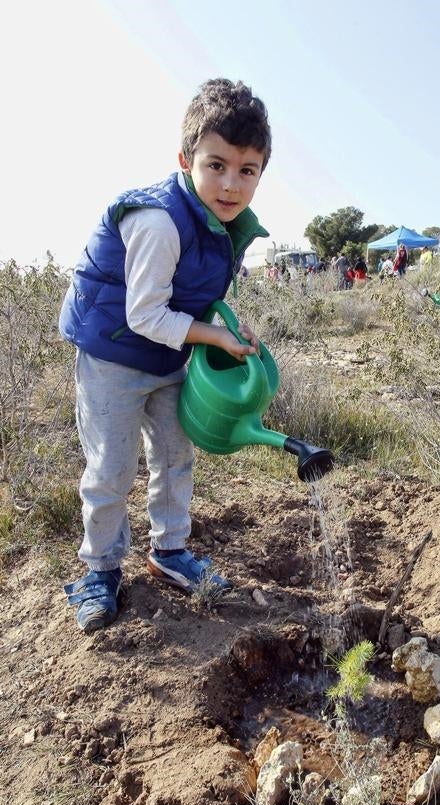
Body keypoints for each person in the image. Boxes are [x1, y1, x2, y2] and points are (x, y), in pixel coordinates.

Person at [58, 78, 271, 633]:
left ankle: (170, 550)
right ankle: (99, 569)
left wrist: (226, 324)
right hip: (114, 356)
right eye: (216, 165)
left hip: (168, 357)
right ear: (185, 159)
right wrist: (212, 336)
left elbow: (200, 292)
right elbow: (144, 315)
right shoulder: (157, 220)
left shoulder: (222, 221)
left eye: (247, 170)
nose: (230, 184)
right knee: (111, 466)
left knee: (176, 454)